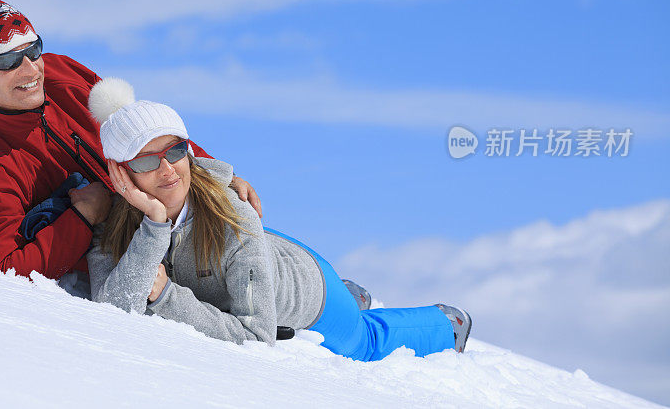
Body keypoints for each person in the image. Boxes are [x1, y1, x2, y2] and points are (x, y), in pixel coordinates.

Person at [86, 78, 472, 361]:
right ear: (121, 173)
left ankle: (444, 324)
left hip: (301, 288)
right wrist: (154, 225)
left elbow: (257, 336)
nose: (167, 170)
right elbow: (114, 307)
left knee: (364, 344)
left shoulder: (232, 218)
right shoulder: (115, 223)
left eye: (175, 151)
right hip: (267, 257)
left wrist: (167, 296)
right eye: (145, 161)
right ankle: (353, 294)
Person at [0, 0, 261, 279]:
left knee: (264, 257)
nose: (31, 69)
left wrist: (213, 170)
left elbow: (142, 128)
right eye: (7, 61)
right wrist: (82, 217)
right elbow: (1, 266)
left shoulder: (61, 73)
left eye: (33, 50)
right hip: (130, 261)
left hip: (178, 214)